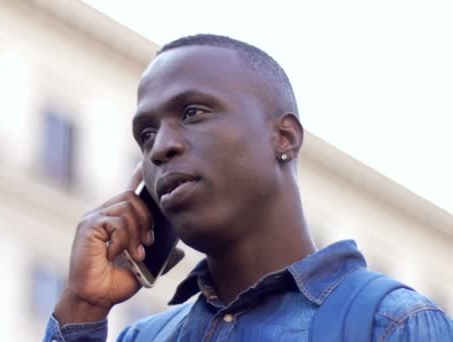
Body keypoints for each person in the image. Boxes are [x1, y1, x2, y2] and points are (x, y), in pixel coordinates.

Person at [43, 34, 453, 341]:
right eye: (146, 135)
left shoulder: (393, 323)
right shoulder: (143, 337)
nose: (161, 147)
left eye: (192, 112)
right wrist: (85, 305)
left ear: (284, 138)